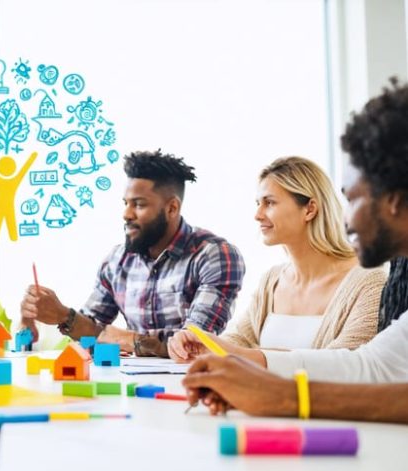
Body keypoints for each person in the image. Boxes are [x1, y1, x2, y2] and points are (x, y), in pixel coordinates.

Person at [182, 79, 408, 424]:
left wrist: (278, 392)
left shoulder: (369, 280)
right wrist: (246, 373)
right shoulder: (274, 279)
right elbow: (372, 365)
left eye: (353, 199)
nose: (346, 219)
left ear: (393, 200)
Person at [20, 150, 245, 355]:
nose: (126, 214)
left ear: (172, 208)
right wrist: (56, 315)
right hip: (131, 388)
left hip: (190, 387)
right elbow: (90, 331)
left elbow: (194, 343)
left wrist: (118, 337)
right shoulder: (117, 261)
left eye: (138, 204)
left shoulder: (214, 256)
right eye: (126, 203)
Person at [168, 157, 385, 361]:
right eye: (258, 203)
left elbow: (346, 364)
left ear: (310, 209)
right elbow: (237, 341)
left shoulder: (369, 282)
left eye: (269, 203)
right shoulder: (272, 281)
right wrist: (202, 344)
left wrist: (234, 352)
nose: (258, 214)